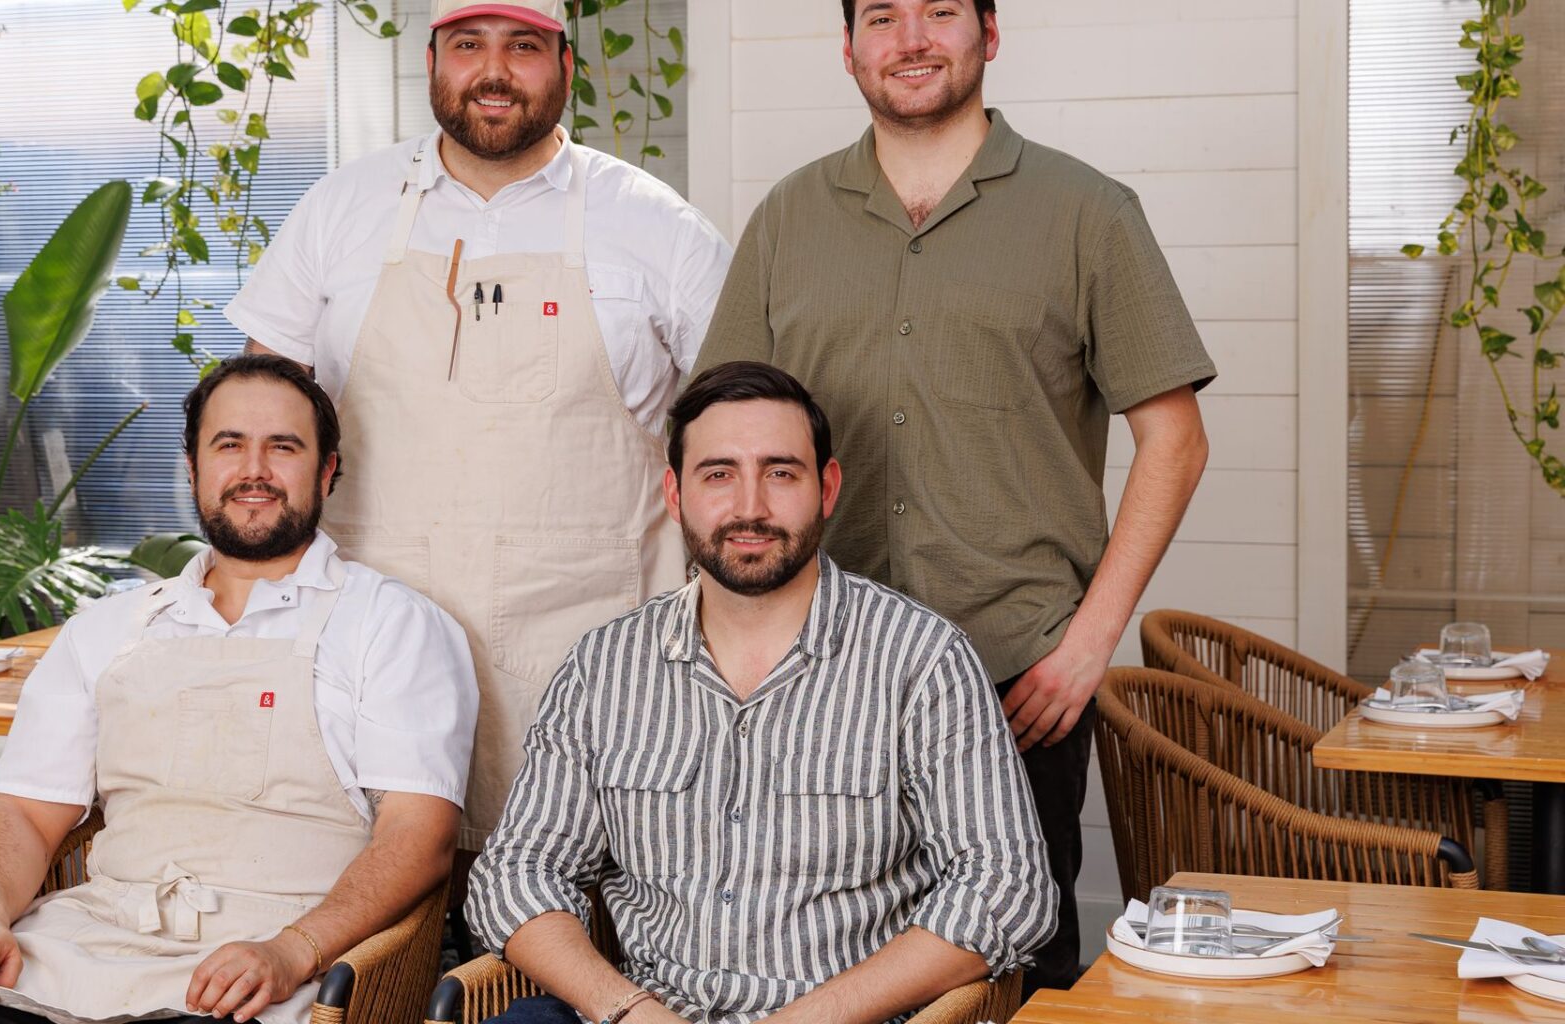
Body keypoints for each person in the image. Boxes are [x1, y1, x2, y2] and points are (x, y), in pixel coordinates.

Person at [691, 0, 1214, 993]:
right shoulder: (785, 220)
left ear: (990, 33)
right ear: (848, 50)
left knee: (1013, 966)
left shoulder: (1089, 213)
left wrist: (1088, 646)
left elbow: (1174, 441)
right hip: (813, 684)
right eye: (882, 17)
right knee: (813, 966)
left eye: (939, 11)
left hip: (1014, 680)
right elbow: (722, 435)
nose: (912, 39)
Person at [222, 0, 732, 850]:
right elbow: (254, 418)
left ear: (568, 64)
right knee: (379, 909)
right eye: (469, 45)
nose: (493, 71)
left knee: (582, 898)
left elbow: (741, 435)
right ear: (432, 61)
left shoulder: (656, 224)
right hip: (370, 648)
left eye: (522, 46)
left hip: (593, 655)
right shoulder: (341, 208)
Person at [0, 356, 478, 1024]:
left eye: (284, 447)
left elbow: (419, 837)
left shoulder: (393, 624)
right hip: (91, 942)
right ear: (192, 469)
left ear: (327, 471)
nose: (254, 471)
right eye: (229, 446)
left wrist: (292, 951)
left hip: (283, 962)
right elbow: (19, 810)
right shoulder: (103, 631)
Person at [465, 361, 1057, 1024]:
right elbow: (514, 875)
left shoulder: (920, 659)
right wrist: (627, 1009)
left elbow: (1008, 890)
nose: (750, 506)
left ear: (827, 488)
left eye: (781, 472)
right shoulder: (604, 666)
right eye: (719, 474)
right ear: (675, 493)